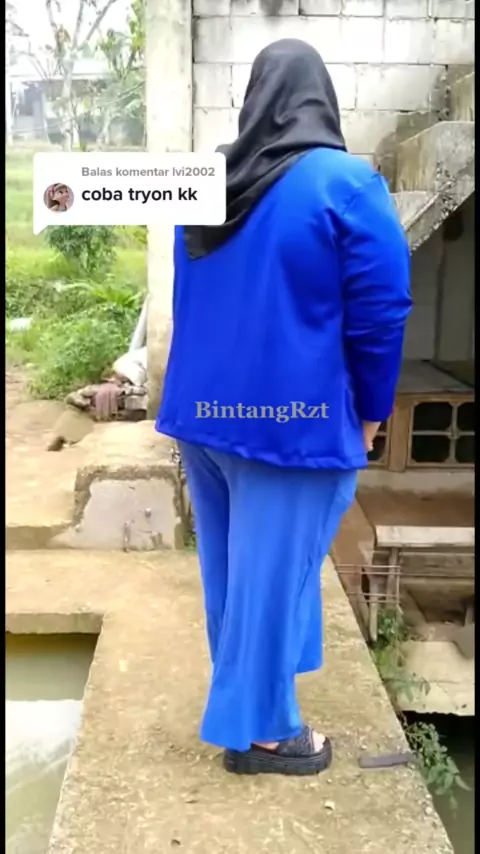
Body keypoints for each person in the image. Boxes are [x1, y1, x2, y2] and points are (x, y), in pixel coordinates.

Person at [156, 39, 412, 776]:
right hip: (288, 427)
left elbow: (187, 297)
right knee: (270, 578)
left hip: (205, 418)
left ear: (255, 101)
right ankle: (264, 732)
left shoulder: (206, 183)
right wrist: (372, 412)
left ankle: (250, 695)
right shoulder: (347, 183)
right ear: (320, 101)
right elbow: (381, 312)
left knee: (235, 574)